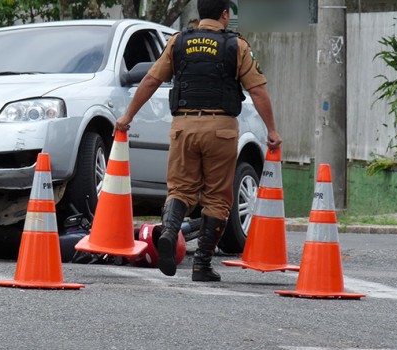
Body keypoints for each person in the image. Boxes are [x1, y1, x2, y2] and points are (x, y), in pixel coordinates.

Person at [115, 0, 282, 282]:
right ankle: (201, 264)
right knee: (217, 198)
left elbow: (151, 80)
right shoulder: (236, 46)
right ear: (225, 15)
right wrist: (272, 131)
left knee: (180, 189)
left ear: (199, 14)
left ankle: (169, 232)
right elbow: (258, 90)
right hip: (221, 129)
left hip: (183, 127)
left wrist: (127, 116)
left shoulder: (179, 42)